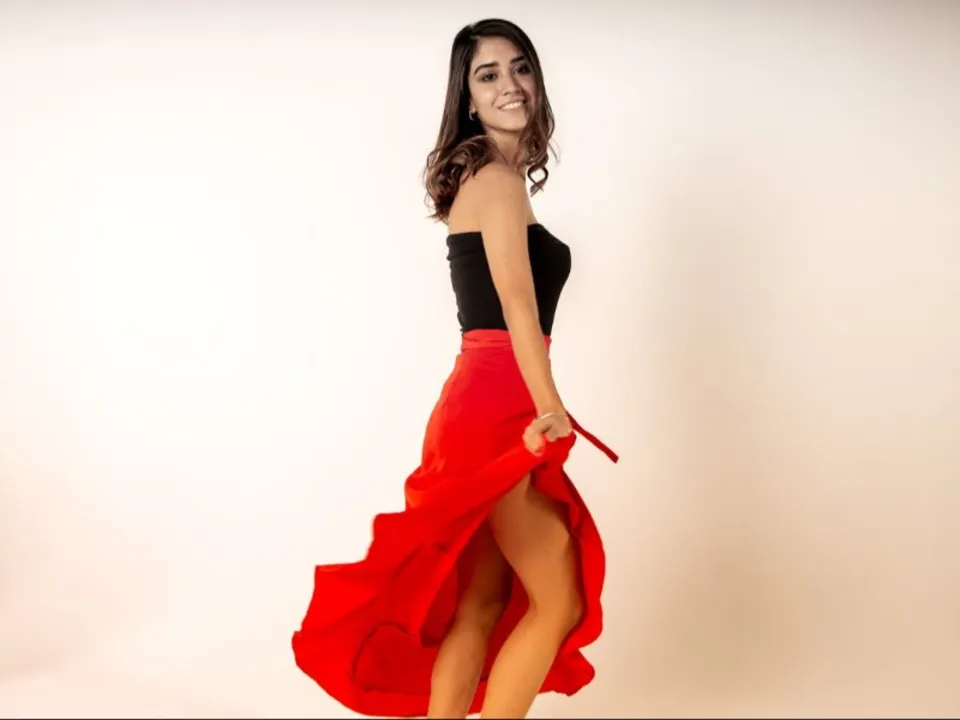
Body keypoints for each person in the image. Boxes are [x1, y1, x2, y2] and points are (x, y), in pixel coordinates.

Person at [291, 18, 618, 719]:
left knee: (483, 602)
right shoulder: (496, 181)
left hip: (479, 399)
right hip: (498, 405)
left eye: (520, 67)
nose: (509, 85)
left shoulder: (485, 179)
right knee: (557, 601)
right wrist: (549, 408)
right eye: (487, 75)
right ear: (467, 98)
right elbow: (517, 307)